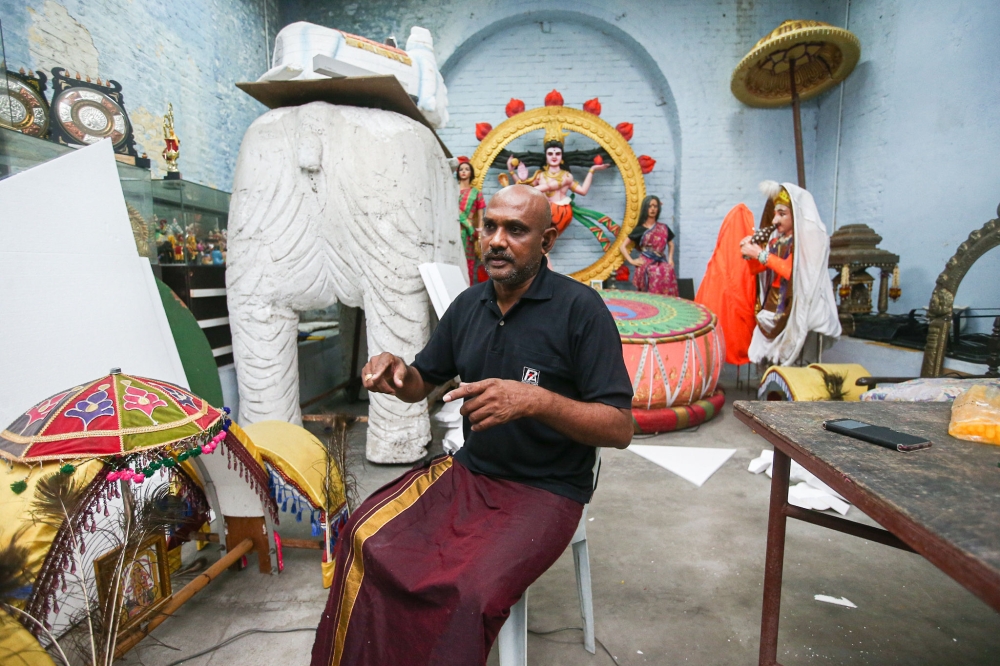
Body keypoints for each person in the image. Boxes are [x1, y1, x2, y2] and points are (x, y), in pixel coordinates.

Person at [310, 185, 634, 666]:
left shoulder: (580, 311)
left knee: (468, 588)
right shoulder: (468, 306)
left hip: (547, 489)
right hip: (470, 472)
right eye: (490, 227)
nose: (497, 240)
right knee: (363, 534)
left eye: (516, 230)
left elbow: (620, 427)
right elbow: (424, 381)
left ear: (546, 242)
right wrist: (398, 375)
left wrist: (535, 400)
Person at [739, 180, 840, 365]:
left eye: (782, 214)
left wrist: (759, 254)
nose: (775, 220)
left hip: (792, 302)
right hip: (773, 302)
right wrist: (750, 253)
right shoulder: (777, 241)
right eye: (775, 214)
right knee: (765, 355)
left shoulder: (806, 241)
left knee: (790, 356)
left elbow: (790, 271)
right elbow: (759, 269)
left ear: (796, 215)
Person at [507, 137, 609, 235]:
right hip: (543, 211)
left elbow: (583, 191)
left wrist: (592, 170)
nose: (554, 156)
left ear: (562, 157)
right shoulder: (540, 175)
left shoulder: (566, 176)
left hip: (562, 212)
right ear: (546, 157)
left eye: (558, 154)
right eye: (550, 154)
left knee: (545, 239)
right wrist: (512, 172)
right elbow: (525, 190)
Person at [619, 195, 679, 295]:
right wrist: (631, 261)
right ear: (645, 208)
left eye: (655, 206)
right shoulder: (639, 229)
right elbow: (622, 246)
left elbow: (671, 244)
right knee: (653, 271)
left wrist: (671, 259)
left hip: (661, 259)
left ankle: (668, 302)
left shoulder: (663, 227)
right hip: (646, 260)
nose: (652, 209)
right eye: (650, 206)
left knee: (668, 269)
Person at [456, 156, 486, 283]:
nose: (463, 171)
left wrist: (479, 234)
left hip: (468, 233)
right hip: (452, 229)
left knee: (468, 263)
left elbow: (480, 216)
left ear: (471, 173)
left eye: (467, 169)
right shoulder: (451, 189)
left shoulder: (476, 193)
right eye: (461, 169)